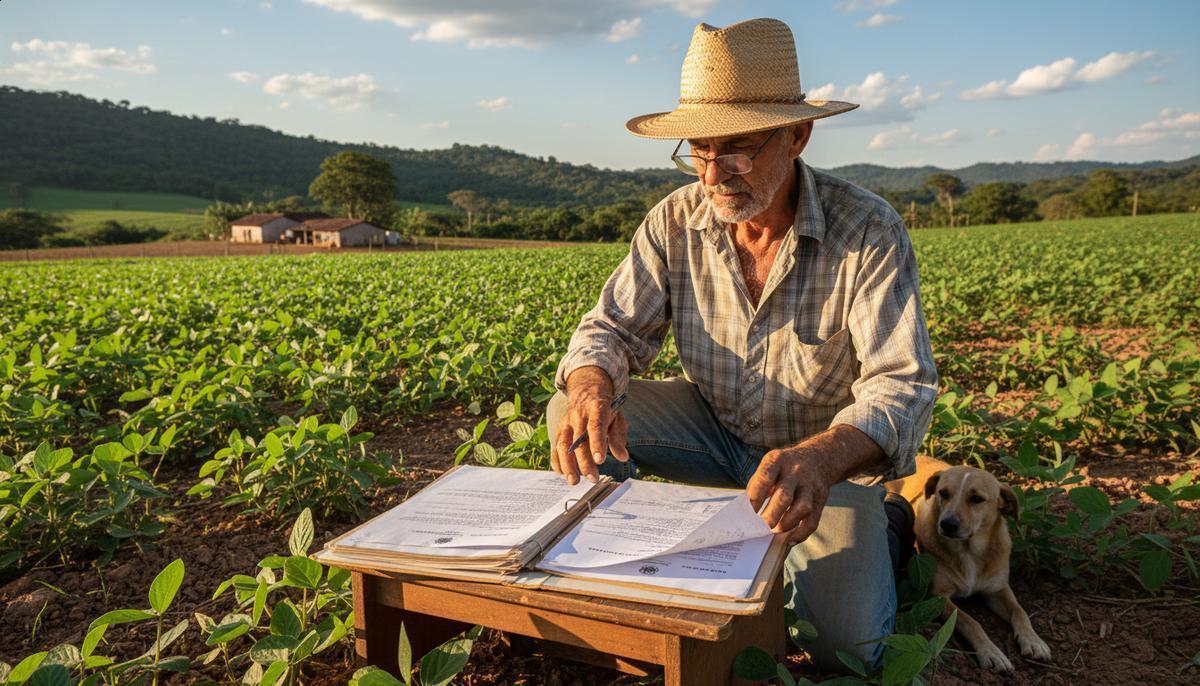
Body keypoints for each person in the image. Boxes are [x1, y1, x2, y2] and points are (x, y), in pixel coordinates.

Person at [546, 17, 937, 672]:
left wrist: (819, 458)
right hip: (715, 432)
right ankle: (607, 572)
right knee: (572, 411)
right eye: (698, 149)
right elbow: (611, 328)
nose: (712, 173)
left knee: (843, 650)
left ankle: (888, 528)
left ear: (797, 135)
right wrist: (591, 383)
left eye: (738, 149)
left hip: (819, 462)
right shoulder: (676, 220)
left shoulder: (867, 228)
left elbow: (902, 384)